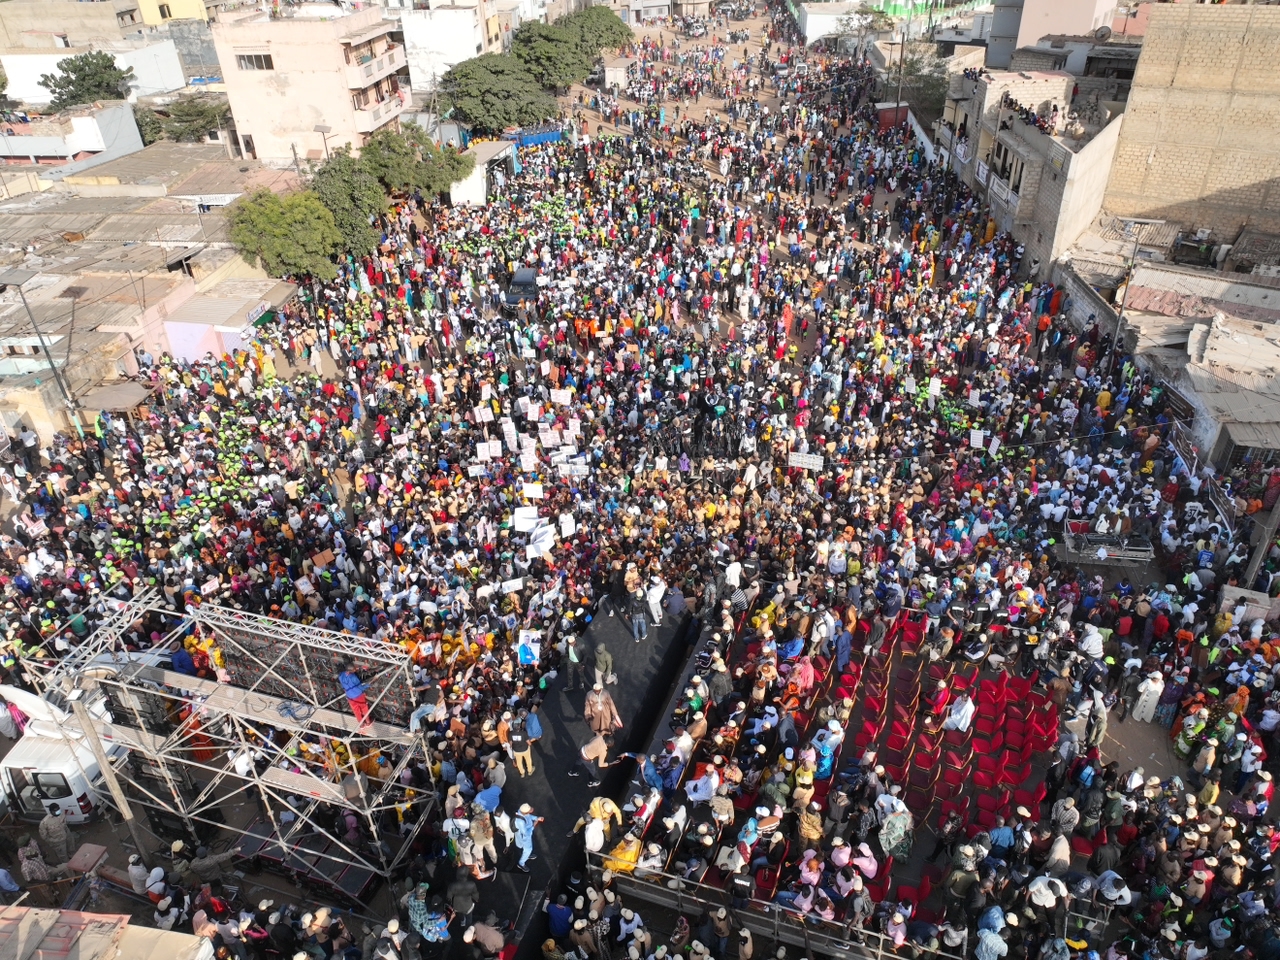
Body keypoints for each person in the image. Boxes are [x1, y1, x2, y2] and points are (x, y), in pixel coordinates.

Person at [339, 662, 371, 727]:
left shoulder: (341, 675)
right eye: (354, 669)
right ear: (352, 670)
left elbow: (342, 684)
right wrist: (367, 685)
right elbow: (359, 686)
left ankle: (361, 724)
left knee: (356, 710)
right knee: (364, 708)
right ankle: (368, 722)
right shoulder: (353, 677)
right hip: (358, 695)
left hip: (349, 696)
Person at [514, 803, 542, 873]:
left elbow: (529, 817)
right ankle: (521, 863)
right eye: (529, 810)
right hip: (525, 836)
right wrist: (533, 825)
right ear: (525, 812)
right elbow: (526, 833)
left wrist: (536, 818)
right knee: (528, 849)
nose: (531, 810)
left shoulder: (521, 812)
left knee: (527, 849)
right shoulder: (520, 822)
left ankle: (527, 856)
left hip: (526, 833)